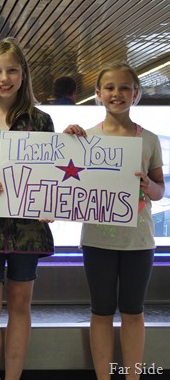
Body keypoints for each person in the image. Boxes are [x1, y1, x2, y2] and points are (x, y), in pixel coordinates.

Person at [0, 38, 83, 380]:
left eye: (12, 70)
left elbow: (56, 172)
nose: (5, 77)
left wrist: (73, 141)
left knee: (20, 306)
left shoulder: (41, 121)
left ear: (23, 73)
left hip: (27, 232)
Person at [80, 61, 164, 380]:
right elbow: (69, 185)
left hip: (138, 241)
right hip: (96, 240)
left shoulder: (150, 139)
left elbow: (159, 191)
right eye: (110, 88)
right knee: (101, 312)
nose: (117, 94)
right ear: (98, 94)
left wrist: (148, 185)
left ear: (136, 94)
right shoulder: (85, 138)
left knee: (133, 313)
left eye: (125, 88)